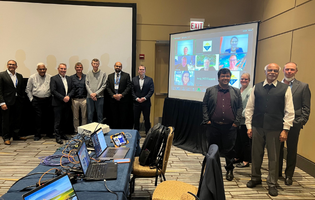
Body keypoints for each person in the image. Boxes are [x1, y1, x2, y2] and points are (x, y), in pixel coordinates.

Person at [245, 63, 294, 196]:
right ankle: (255, 178)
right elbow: (250, 108)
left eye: (275, 71)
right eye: (270, 70)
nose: (272, 72)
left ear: (278, 73)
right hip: (257, 126)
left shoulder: (285, 88)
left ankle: (272, 183)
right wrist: (249, 126)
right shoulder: (257, 87)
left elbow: (289, 111)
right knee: (256, 155)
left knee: (274, 157)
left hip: (275, 128)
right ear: (265, 71)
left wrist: (285, 129)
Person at [202, 68, 242, 181]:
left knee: (230, 150)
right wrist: (207, 120)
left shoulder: (236, 91)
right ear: (218, 78)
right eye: (223, 76)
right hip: (214, 125)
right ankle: (212, 170)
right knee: (213, 149)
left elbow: (240, 107)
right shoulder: (210, 90)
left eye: (228, 76)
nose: (225, 78)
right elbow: (204, 105)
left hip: (230, 126)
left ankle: (229, 170)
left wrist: (236, 122)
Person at [278, 62, 311, 185]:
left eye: (292, 70)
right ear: (283, 70)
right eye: (287, 69)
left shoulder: (303, 86)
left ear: (296, 71)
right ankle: (277, 173)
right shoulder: (276, 85)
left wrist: (299, 122)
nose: (289, 72)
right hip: (277, 124)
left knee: (291, 150)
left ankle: (289, 175)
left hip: (294, 124)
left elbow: (306, 108)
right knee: (277, 150)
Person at [0, 60, 26, 145]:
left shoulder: (19, 76)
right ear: (7, 65)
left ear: (16, 66)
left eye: (13, 64)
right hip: (7, 102)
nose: (11, 66)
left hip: (18, 101)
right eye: (10, 64)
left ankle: (16, 135)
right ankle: (6, 137)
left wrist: (22, 99)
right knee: (6, 120)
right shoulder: (2, 75)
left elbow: (21, 89)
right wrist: (2, 102)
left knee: (17, 119)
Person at [25, 63, 53, 141]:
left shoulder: (50, 77)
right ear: (37, 70)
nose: (42, 71)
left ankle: (49, 133)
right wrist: (31, 99)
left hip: (48, 100)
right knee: (38, 118)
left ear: (46, 69)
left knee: (49, 118)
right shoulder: (32, 77)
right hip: (37, 100)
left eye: (43, 69)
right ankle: (37, 134)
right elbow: (28, 89)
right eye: (40, 69)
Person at [50, 63, 75, 144]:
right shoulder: (54, 78)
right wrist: (62, 98)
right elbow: (53, 90)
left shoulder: (69, 78)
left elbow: (73, 89)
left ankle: (63, 134)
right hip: (58, 103)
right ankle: (57, 137)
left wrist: (68, 96)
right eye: (61, 69)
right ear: (58, 69)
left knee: (65, 120)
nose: (63, 70)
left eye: (64, 69)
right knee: (58, 121)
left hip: (67, 103)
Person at [106, 62, 132, 129]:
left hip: (123, 100)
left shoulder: (126, 75)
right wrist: (113, 95)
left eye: (119, 66)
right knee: (114, 117)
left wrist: (122, 95)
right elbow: (107, 87)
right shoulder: (110, 76)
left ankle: (122, 131)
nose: (118, 67)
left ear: (121, 67)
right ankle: (114, 131)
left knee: (123, 117)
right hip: (113, 100)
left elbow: (129, 86)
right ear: (114, 66)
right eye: (117, 66)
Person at [234, 73, 252, 168]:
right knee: (238, 140)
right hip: (237, 120)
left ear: (249, 80)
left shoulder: (251, 91)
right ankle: (238, 157)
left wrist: (239, 115)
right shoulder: (237, 90)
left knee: (245, 141)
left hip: (245, 120)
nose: (243, 81)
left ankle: (246, 160)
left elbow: (249, 106)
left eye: (246, 79)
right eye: (242, 79)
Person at [132, 65, 154, 134]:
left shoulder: (149, 79)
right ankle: (136, 133)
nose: (141, 71)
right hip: (136, 103)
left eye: (143, 69)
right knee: (136, 119)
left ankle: (148, 133)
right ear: (138, 71)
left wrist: (145, 98)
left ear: (145, 71)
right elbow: (132, 91)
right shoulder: (134, 79)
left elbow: (151, 90)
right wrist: (136, 98)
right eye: (140, 69)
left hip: (146, 103)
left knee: (146, 119)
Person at [85, 58, 107, 123]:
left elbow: (104, 85)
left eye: (97, 64)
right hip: (90, 97)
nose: (95, 65)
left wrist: (96, 94)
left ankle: (100, 131)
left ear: (99, 64)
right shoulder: (88, 73)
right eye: (94, 63)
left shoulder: (103, 74)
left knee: (100, 115)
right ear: (92, 64)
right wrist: (92, 94)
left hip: (100, 97)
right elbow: (86, 84)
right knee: (90, 115)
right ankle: (90, 131)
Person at [71, 62, 87, 133]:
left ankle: (83, 131)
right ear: (75, 68)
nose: (79, 69)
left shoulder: (86, 77)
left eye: (80, 67)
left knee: (84, 116)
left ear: (82, 68)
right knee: (75, 117)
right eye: (77, 67)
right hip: (75, 99)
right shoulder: (71, 78)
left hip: (84, 99)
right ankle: (76, 131)